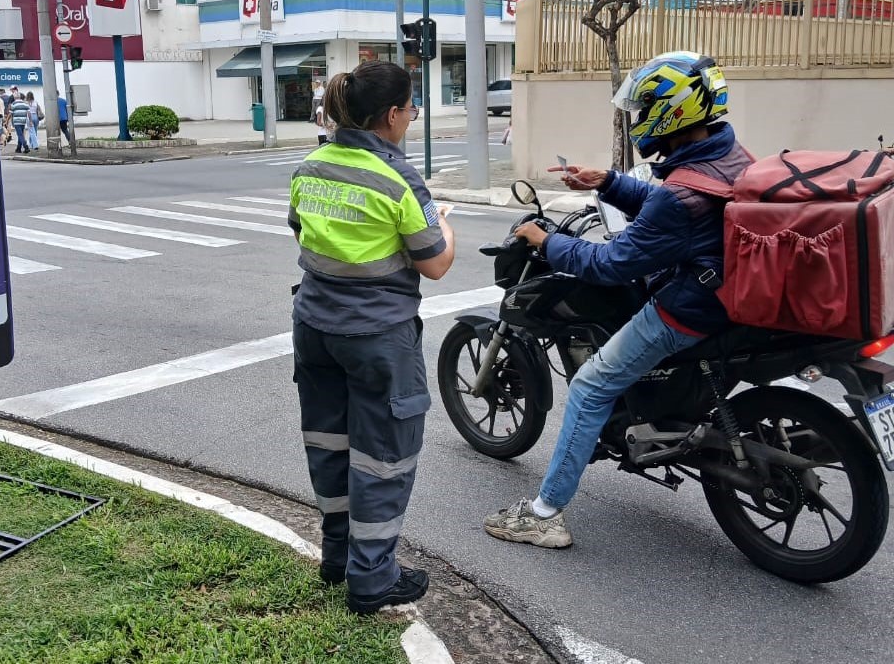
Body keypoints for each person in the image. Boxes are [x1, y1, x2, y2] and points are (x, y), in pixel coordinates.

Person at [482, 51, 753, 549]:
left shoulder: (678, 194)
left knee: (589, 386)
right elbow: (676, 202)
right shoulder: (730, 155)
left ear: (672, 110)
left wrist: (548, 243)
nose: (639, 119)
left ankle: (543, 514)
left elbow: (610, 264)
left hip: (692, 307)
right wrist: (608, 182)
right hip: (734, 294)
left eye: (646, 107)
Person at [288, 60, 456, 614]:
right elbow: (433, 263)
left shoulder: (311, 164)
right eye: (411, 108)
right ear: (391, 115)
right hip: (378, 335)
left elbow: (302, 229)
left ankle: (337, 556)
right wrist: (446, 225)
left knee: (330, 444)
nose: (412, 116)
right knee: (384, 456)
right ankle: (372, 578)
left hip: (313, 325)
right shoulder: (396, 177)